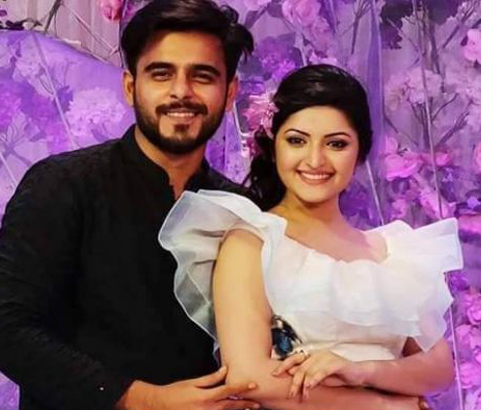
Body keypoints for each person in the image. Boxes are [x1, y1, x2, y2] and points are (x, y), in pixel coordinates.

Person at [0, 1, 261, 409]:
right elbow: (8, 333)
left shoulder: (240, 210)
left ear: (230, 92)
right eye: (161, 74)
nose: (181, 92)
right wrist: (145, 399)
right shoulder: (63, 185)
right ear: (130, 87)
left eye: (202, 76)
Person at [159, 65, 464, 410]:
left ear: (360, 153)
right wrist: (384, 405)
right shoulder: (252, 242)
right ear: (273, 147)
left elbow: (439, 367)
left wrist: (361, 371)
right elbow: (249, 377)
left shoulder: (392, 252)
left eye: (336, 144)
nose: (315, 159)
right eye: (297, 141)